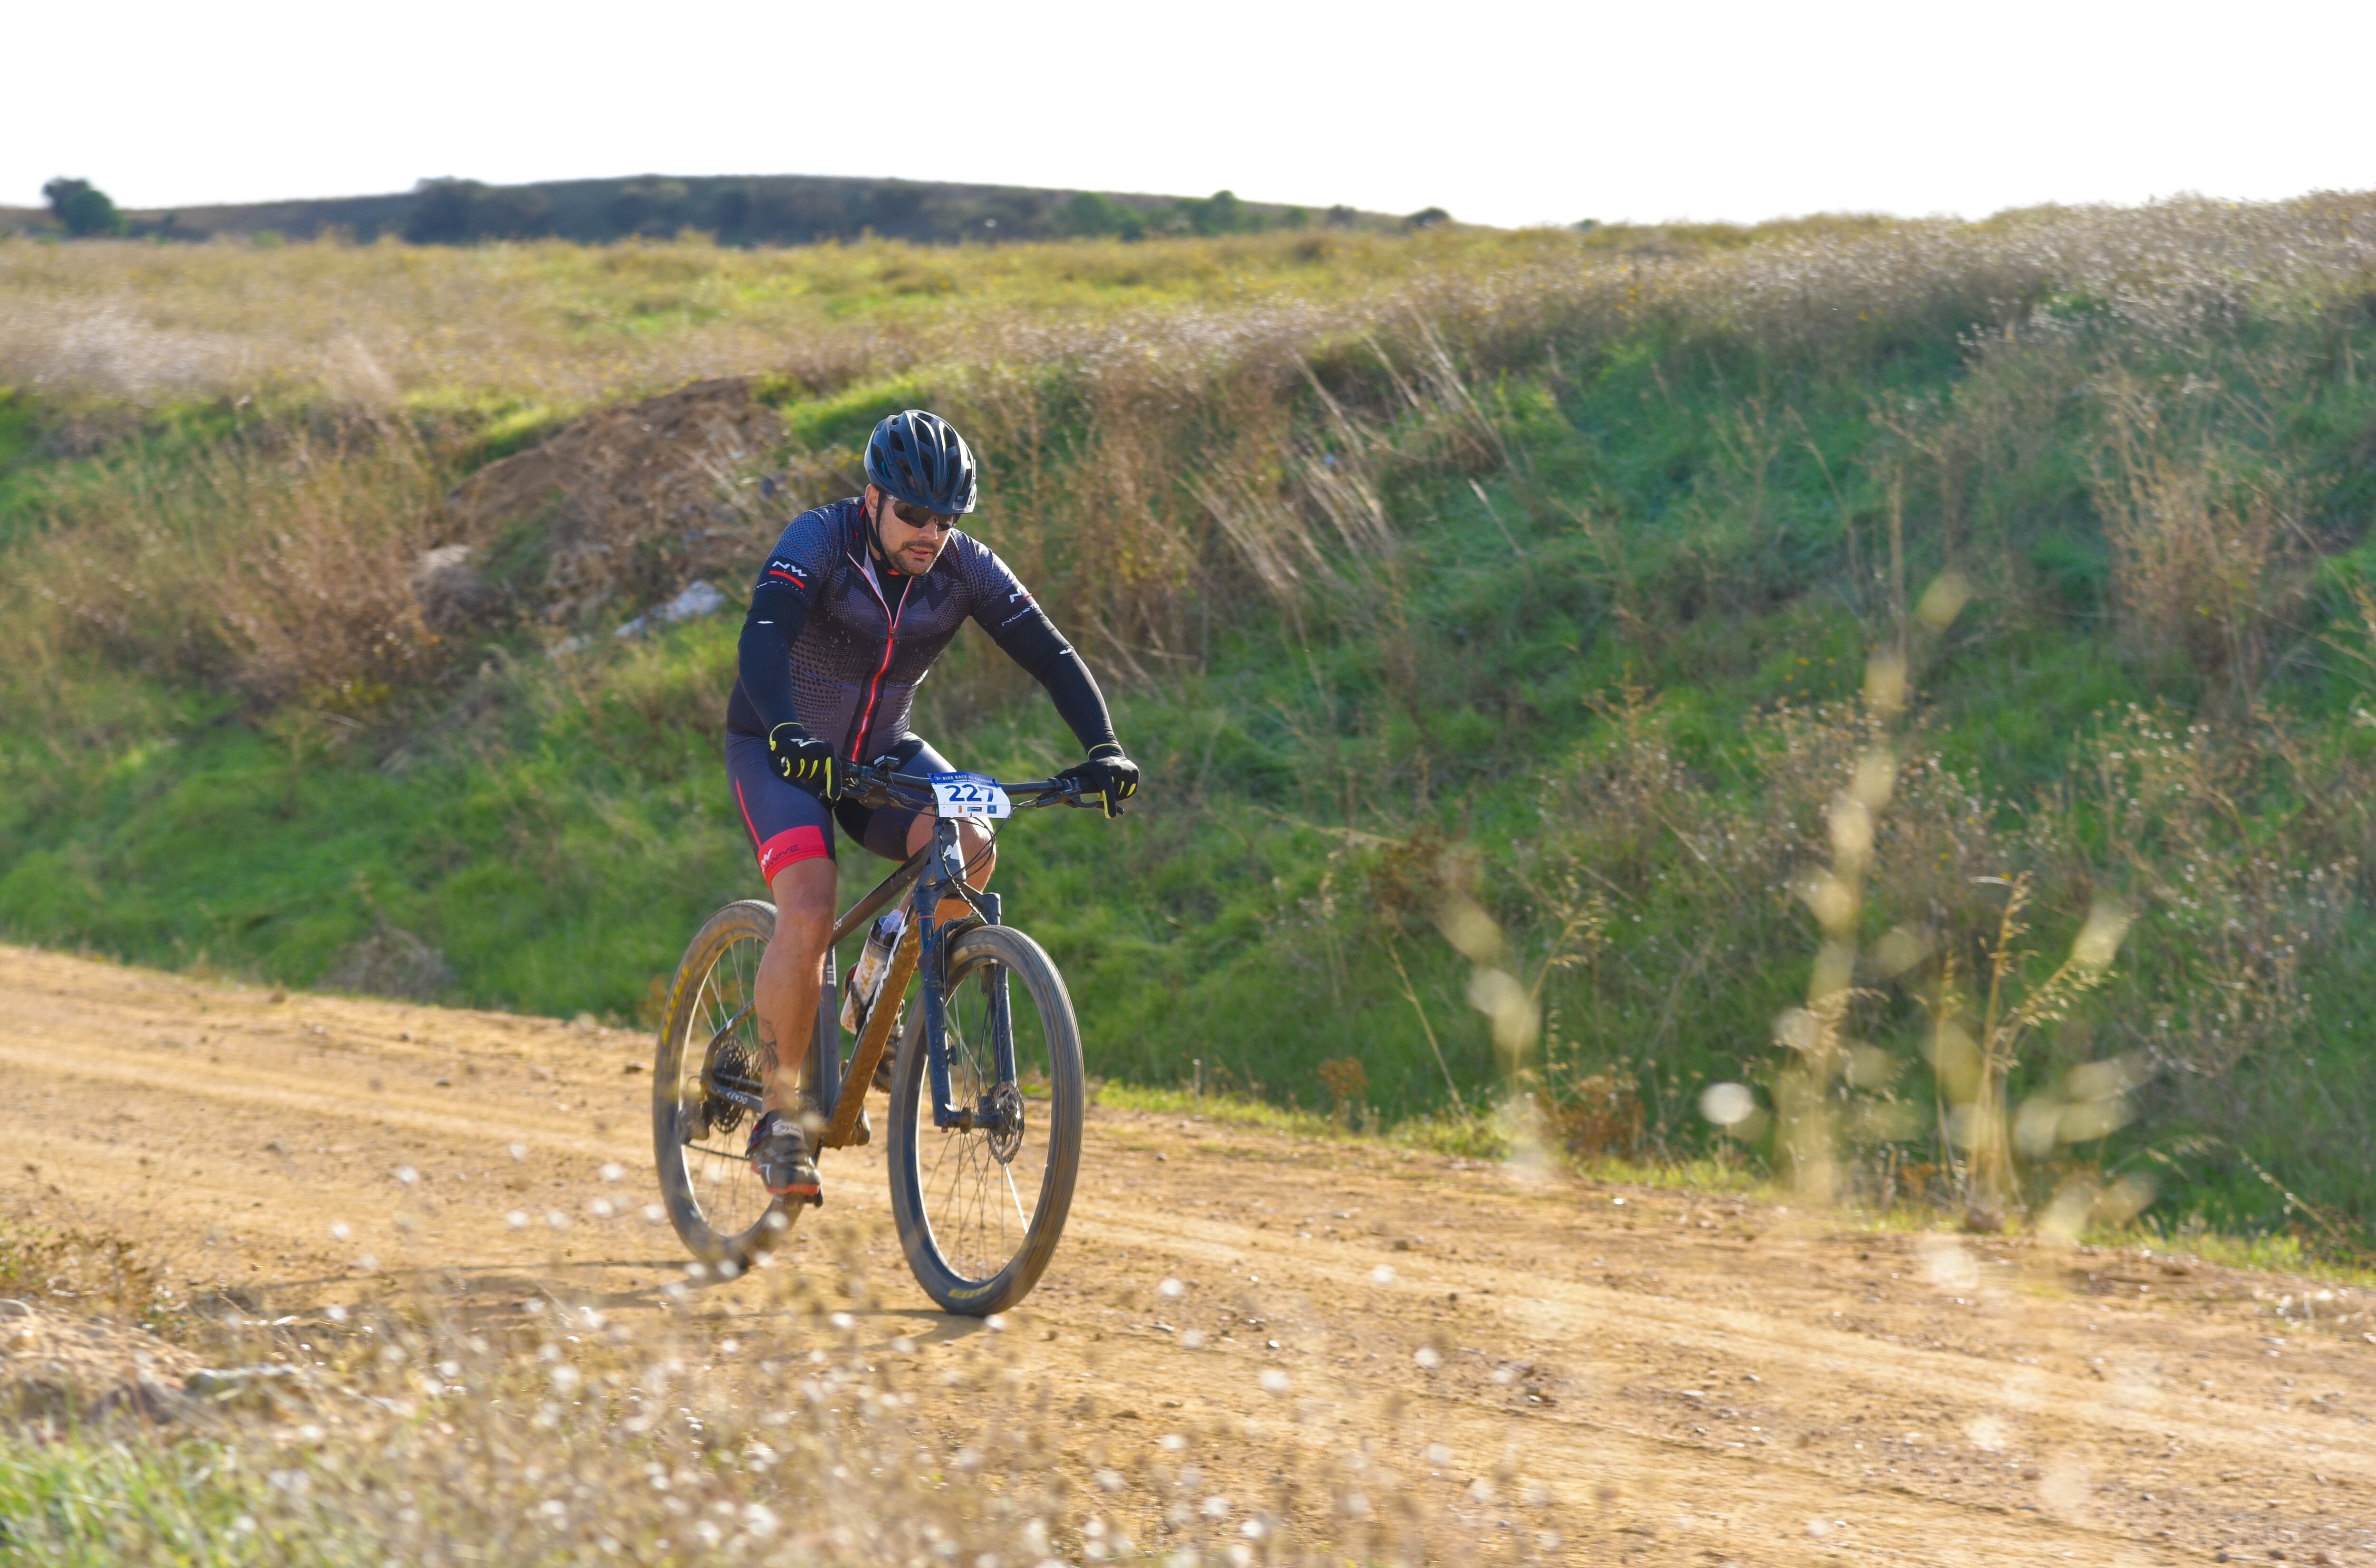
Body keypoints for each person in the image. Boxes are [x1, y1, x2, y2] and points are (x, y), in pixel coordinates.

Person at [725, 409, 1139, 1205]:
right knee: (809, 906)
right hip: (780, 747)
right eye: (914, 515)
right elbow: (764, 639)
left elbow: (1050, 653)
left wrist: (1104, 748)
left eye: (947, 520)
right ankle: (779, 1118)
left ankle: (872, 1010)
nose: (931, 534)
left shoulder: (966, 568)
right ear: (874, 499)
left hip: (881, 752)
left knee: (971, 846)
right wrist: (784, 728)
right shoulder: (818, 541)